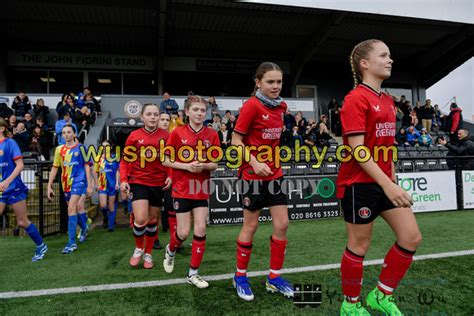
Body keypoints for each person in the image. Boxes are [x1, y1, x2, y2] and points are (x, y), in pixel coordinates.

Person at [337, 39, 422, 315]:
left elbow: (388, 148)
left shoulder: (387, 100)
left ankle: (381, 295)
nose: (390, 60)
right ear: (365, 63)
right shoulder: (355, 99)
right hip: (357, 185)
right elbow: (357, 150)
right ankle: (350, 306)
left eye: (390, 55)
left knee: (411, 237)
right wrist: (387, 184)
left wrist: (391, 181)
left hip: (384, 183)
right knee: (359, 245)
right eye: (383, 55)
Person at [231, 62, 293, 301]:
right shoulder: (251, 106)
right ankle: (240, 277)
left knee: (282, 224)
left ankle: (274, 278)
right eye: (270, 82)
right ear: (258, 82)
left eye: (278, 82)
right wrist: (255, 162)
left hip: (275, 175)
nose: (276, 86)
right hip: (252, 175)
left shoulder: (282, 107)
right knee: (251, 226)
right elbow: (236, 141)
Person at [162, 95, 219, 289]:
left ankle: (193, 273)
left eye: (203, 110)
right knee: (183, 232)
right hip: (182, 188)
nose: (200, 113)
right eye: (195, 110)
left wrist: (203, 165)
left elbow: (215, 164)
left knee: (201, 229)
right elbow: (166, 160)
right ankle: (170, 250)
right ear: (187, 112)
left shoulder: (212, 134)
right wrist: (187, 167)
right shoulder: (177, 132)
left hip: (201, 188)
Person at [120, 103, 171, 269]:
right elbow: (125, 160)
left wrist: (170, 176)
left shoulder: (167, 136)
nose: (153, 117)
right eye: (149, 114)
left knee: (153, 219)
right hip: (138, 181)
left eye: (155, 114)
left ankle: (148, 254)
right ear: (142, 117)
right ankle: (138, 248)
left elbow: (171, 159)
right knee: (141, 218)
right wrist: (124, 179)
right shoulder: (134, 136)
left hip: (158, 183)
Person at [0, 118, 48, 262]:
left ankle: (41, 245)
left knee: (22, 222)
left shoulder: (10, 143)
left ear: (2, 128)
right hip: (1, 189)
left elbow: (20, 165)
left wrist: (7, 181)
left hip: (14, 187)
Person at [47, 125, 93, 253]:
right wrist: (49, 185)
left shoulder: (82, 148)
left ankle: (71, 242)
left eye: (69, 132)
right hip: (66, 183)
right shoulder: (59, 150)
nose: (66, 135)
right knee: (72, 209)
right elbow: (55, 167)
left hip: (79, 181)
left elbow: (87, 166)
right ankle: (84, 227)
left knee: (72, 208)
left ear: (74, 134)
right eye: (64, 133)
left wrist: (90, 184)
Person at [94, 140, 120, 231]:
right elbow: (95, 171)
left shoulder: (115, 157)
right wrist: (96, 183)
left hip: (112, 184)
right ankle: (106, 218)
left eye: (107, 146)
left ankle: (111, 226)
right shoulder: (98, 158)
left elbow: (117, 171)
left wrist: (117, 183)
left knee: (111, 205)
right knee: (103, 206)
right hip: (102, 185)